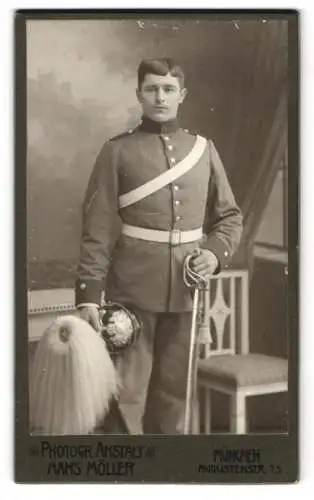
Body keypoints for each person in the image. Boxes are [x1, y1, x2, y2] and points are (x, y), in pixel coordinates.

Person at [75, 57, 243, 434]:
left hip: (185, 295)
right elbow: (97, 227)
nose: (160, 97)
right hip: (130, 294)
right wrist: (88, 295)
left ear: (182, 95)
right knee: (123, 396)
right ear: (139, 94)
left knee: (173, 398)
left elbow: (230, 217)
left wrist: (214, 254)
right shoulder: (117, 151)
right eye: (151, 89)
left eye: (168, 89)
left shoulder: (203, 150)